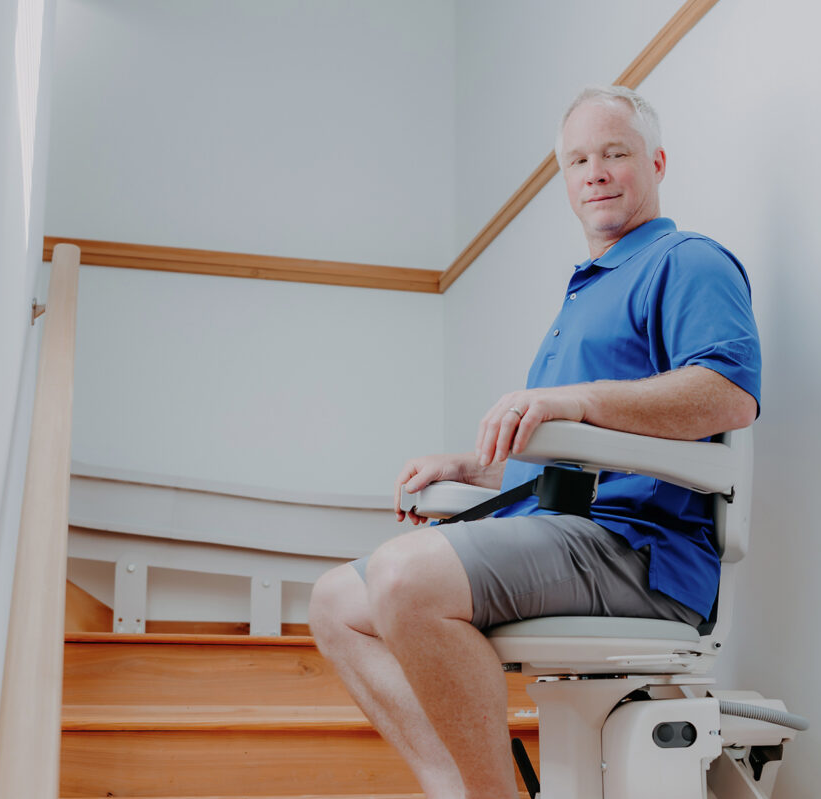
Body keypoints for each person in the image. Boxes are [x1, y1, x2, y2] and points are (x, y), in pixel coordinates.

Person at [307, 85, 762, 799]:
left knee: (403, 577)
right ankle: (461, 788)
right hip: (561, 530)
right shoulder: (585, 292)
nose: (596, 172)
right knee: (335, 602)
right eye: (579, 160)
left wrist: (573, 397)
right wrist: (471, 466)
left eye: (616, 153)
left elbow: (727, 393)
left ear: (657, 163)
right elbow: (568, 457)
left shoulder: (686, 260)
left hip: (636, 549)